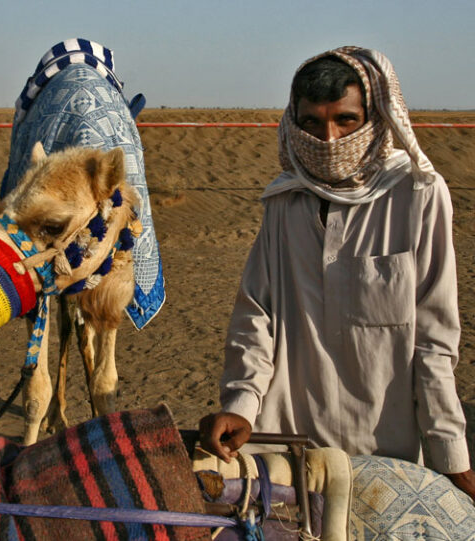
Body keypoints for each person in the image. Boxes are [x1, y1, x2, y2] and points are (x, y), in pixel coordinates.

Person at [198, 46, 475, 501]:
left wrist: (452, 459)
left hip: (387, 455)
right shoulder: (285, 204)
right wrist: (241, 405)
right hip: (287, 445)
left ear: (376, 116)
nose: (328, 140)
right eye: (312, 123)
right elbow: (256, 317)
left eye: (345, 120)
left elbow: (434, 340)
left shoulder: (418, 196)